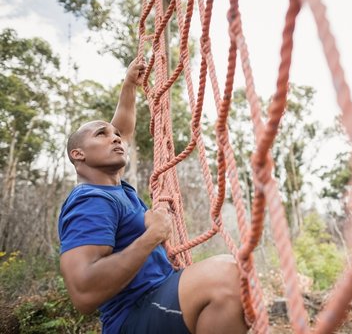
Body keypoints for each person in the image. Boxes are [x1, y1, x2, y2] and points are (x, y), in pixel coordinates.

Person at [58, 60, 248, 334]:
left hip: (159, 295)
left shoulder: (116, 190)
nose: (116, 139)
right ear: (78, 154)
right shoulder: (91, 200)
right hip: (134, 315)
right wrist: (152, 237)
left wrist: (128, 85)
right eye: (102, 134)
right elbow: (83, 293)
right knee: (228, 278)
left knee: (236, 276)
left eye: (117, 136)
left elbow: (122, 127)